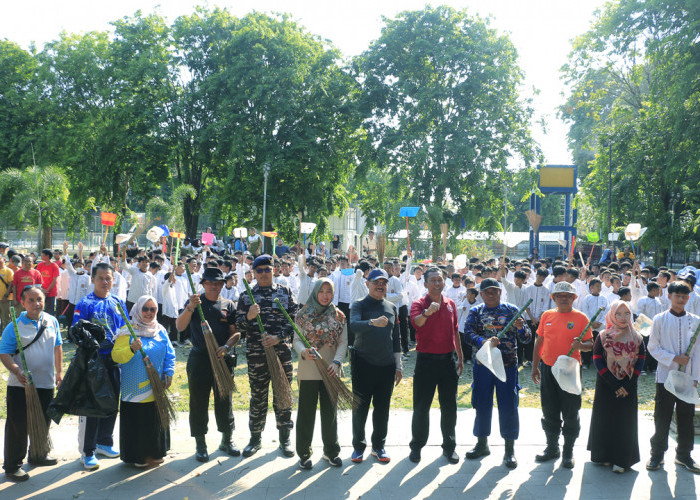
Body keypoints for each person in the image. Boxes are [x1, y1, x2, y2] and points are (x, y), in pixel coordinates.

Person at [463, 278, 530, 468]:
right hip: (483, 365)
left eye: (494, 291)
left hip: (507, 366)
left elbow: (526, 339)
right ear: (481, 294)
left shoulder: (511, 310)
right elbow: (467, 334)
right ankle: (482, 444)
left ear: (500, 292)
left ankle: (509, 450)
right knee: (482, 403)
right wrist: (483, 342)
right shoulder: (476, 311)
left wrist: (521, 327)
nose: (490, 294)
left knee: (508, 406)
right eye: (487, 292)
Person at [236, 255, 298, 458]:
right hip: (257, 355)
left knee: (283, 395)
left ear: (274, 270)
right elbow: (238, 325)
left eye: (267, 269)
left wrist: (278, 337)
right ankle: (255, 439)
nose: (263, 273)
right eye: (259, 270)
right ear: (253, 273)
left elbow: (295, 319)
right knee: (258, 396)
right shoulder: (246, 296)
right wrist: (248, 317)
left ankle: (285, 439)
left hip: (281, 353)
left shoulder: (285, 292)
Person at [176, 267, 240, 462]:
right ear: (203, 284)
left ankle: (227, 440)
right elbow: (180, 326)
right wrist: (190, 308)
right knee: (198, 401)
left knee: (224, 400)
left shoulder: (228, 305)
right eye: (210, 282)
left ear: (223, 285)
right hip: (200, 358)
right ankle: (200, 443)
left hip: (222, 359)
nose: (214, 286)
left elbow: (236, 333)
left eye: (218, 283)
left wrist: (227, 347)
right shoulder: (195, 303)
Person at [0, 286, 62, 482]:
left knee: (43, 421)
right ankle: (12, 465)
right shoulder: (14, 326)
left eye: (40, 299)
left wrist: (59, 372)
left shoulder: (51, 321)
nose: (37, 304)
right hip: (21, 385)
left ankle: (38, 454)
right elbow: (4, 353)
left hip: (46, 383)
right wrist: (17, 371)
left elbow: (58, 346)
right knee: (18, 425)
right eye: (32, 300)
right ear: (23, 303)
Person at [72, 262, 129, 470]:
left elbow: (125, 329)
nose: (105, 282)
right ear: (93, 279)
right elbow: (76, 333)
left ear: (113, 280)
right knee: (93, 405)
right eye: (101, 278)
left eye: (108, 278)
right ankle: (87, 451)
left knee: (112, 402)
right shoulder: (85, 303)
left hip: (114, 361)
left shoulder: (118, 302)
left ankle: (105, 441)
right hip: (93, 361)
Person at [531, 281, 593, 469]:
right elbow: (539, 341)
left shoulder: (581, 318)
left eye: (567, 295)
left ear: (574, 298)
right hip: (549, 368)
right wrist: (535, 366)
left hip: (570, 370)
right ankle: (552, 448)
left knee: (571, 411)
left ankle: (568, 451)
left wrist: (580, 346)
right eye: (560, 295)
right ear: (554, 298)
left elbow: (591, 344)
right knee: (549, 410)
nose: (563, 298)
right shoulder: (547, 316)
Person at [408, 267, 464, 464]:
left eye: (440, 280)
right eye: (433, 280)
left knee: (449, 407)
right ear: (425, 284)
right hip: (426, 362)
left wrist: (460, 356)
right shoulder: (418, 303)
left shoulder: (451, 304)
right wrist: (427, 312)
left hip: (448, 362)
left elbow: (455, 331)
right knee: (421, 407)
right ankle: (416, 446)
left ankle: (449, 447)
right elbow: (417, 323)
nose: (437, 283)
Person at [112, 296, 175, 468]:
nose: (148, 312)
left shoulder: (160, 329)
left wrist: (169, 372)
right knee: (137, 421)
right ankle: (138, 456)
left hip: (156, 386)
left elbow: (170, 353)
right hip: (134, 388)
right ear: (138, 310)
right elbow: (116, 356)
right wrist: (131, 348)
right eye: (145, 309)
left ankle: (155, 452)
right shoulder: (127, 330)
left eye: (152, 309)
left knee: (153, 420)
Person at [349, 269, 402, 463]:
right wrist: (372, 323)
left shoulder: (391, 306)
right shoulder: (359, 304)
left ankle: (378, 446)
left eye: (384, 283)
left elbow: (396, 338)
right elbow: (353, 325)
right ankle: (358, 446)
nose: (380, 286)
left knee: (382, 408)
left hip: (386, 365)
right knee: (360, 408)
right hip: (363, 363)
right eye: (376, 282)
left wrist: (399, 365)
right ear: (367, 284)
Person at [646, 281, 700, 473]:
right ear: (669, 296)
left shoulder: (696, 320)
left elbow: (699, 350)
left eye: (685, 296)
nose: (681, 300)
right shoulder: (660, 319)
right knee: (662, 416)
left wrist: (696, 377)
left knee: (686, 416)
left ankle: (684, 454)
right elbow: (652, 347)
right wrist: (673, 358)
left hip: (688, 378)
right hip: (665, 376)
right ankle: (657, 454)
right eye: (677, 296)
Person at [294, 278, 347, 469]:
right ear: (315, 292)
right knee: (306, 414)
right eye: (322, 291)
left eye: (329, 291)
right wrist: (303, 351)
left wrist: (337, 362)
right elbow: (296, 340)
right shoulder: (303, 314)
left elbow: (343, 342)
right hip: (309, 370)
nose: (325, 295)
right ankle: (304, 453)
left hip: (331, 370)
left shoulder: (339, 316)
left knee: (329, 413)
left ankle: (331, 452)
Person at [587, 300, 645, 473]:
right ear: (612, 315)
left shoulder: (637, 337)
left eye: (626, 313)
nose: (622, 317)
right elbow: (597, 358)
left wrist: (628, 383)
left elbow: (641, 360)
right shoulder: (603, 335)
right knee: (605, 419)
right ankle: (603, 456)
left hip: (629, 384)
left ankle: (622, 459)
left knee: (625, 422)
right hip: (606, 384)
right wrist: (613, 384)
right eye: (618, 313)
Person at [0, 255, 14, 330]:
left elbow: (11, 284)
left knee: (5, 318)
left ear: (4, 259)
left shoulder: (8, 271)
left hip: (4, 299)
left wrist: (6, 296)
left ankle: (6, 335)